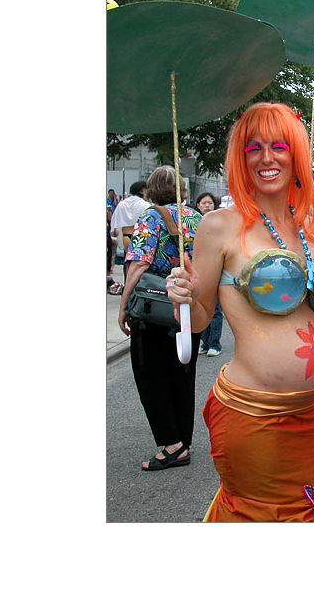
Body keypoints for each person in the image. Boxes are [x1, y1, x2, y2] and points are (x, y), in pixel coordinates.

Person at [166, 103, 314, 522]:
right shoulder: (219, 225)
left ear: (294, 155)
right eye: (254, 148)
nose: (267, 158)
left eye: (278, 146)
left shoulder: (310, 224)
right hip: (253, 416)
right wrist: (183, 296)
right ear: (241, 159)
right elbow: (201, 319)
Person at [118, 166, 203, 472]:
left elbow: (139, 264)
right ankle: (183, 439)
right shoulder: (197, 217)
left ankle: (171, 444)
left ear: (151, 189)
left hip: (156, 310)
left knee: (150, 375)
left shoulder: (150, 217)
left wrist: (124, 304)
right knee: (183, 374)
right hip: (190, 307)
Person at [193, 192, 225, 357]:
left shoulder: (219, 223)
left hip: (217, 270)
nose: (207, 206)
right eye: (204, 203)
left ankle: (214, 343)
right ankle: (204, 342)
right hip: (199, 270)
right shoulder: (192, 221)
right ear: (198, 205)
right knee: (202, 304)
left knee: (216, 309)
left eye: (210, 203)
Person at [110, 179, 150, 283]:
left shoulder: (122, 204)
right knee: (138, 263)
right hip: (140, 236)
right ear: (142, 191)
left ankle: (126, 284)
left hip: (124, 236)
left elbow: (114, 223)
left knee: (127, 262)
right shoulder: (145, 205)